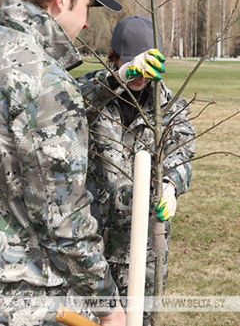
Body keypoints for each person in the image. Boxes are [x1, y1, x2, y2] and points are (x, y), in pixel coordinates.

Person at [0, 0, 152, 325]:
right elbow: (63, 219)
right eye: (87, 5)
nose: (87, 22)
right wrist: (108, 304)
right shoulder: (44, 81)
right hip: (23, 301)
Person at [78, 16, 196, 325]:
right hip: (93, 245)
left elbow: (183, 151)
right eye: (133, 67)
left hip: (143, 250)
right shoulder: (94, 94)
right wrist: (119, 77)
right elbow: (72, 106)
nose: (140, 78)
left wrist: (172, 184)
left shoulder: (169, 107)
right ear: (114, 58)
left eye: (145, 69)